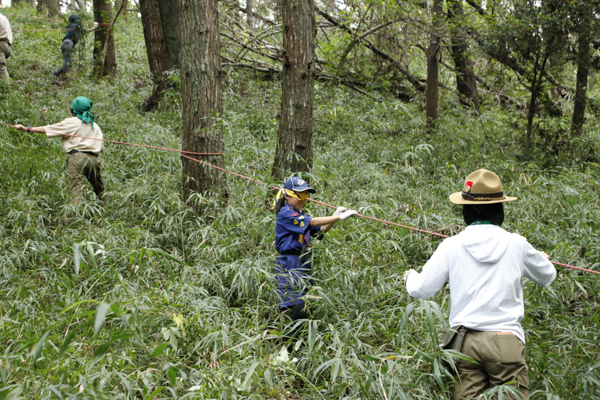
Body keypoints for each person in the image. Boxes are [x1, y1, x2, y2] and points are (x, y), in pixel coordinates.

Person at [403, 169, 556, 399]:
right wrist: (539, 259)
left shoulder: (451, 245)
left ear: (466, 210)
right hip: (506, 342)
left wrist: (409, 276)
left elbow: (420, 289)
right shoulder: (517, 244)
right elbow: (547, 276)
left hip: (464, 343)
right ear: (500, 209)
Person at [273, 177, 357, 346]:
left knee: (303, 309)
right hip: (290, 264)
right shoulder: (286, 214)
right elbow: (312, 222)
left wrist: (335, 216)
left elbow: (321, 228)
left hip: (303, 263)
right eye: (300, 196)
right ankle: (287, 349)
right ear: (287, 196)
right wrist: (339, 218)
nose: (303, 200)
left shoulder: (299, 215)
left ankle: (295, 349)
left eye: (306, 196)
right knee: (296, 308)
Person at [15, 96, 106, 203]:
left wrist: (27, 129)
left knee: (75, 191)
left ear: (74, 109)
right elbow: (101, 146)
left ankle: (75, 215)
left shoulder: (72, 121)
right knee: (100, 189)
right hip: (94, 159)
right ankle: (106, 210)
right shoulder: (94, 125)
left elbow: (49, 129)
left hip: (77, 158)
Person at [0, 7, 12, 84]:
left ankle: (6, 87)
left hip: (1, 45)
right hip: (7, 46)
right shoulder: (2, 16)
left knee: (1, 68)